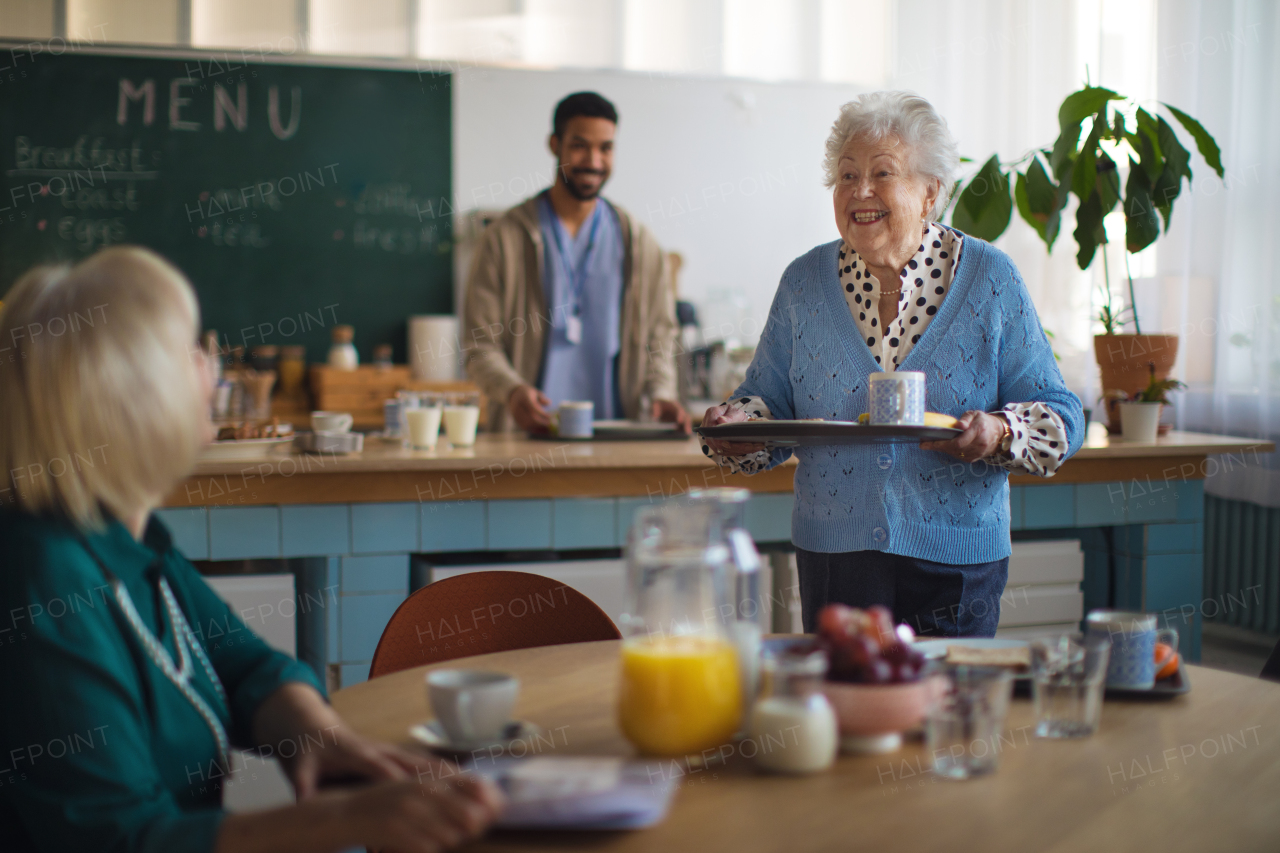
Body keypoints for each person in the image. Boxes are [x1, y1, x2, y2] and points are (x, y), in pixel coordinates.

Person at [0, 247, 503, 853]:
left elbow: (245, 664)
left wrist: (316, 734)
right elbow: (120, 842)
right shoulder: (46, 578)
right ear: (132, 399)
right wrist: (344, 822)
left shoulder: (125, 537)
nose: (211, 361)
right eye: (190, 348)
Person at [701, 91, 1085, 638]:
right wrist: (739, 426)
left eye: (882, 173)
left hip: (956, 560)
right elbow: (769, 404)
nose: (860, 191)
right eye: (846, 174)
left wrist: (1000, 431)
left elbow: (1062, 417)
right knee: (847, 711)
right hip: (836, 556)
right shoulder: (803, 283)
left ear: (930, 192)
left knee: (948, 716)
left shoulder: (991, 279)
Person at [462, 91, 691, 434]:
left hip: (616, 436)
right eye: (580, 146)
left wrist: (661, 392)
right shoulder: (504, 239)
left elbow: (661, 335)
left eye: (606, 148)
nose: (594, 161)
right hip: (528, 437)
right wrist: (511, 391)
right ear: (554, 144)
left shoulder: (639, 243)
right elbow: (479, 344)